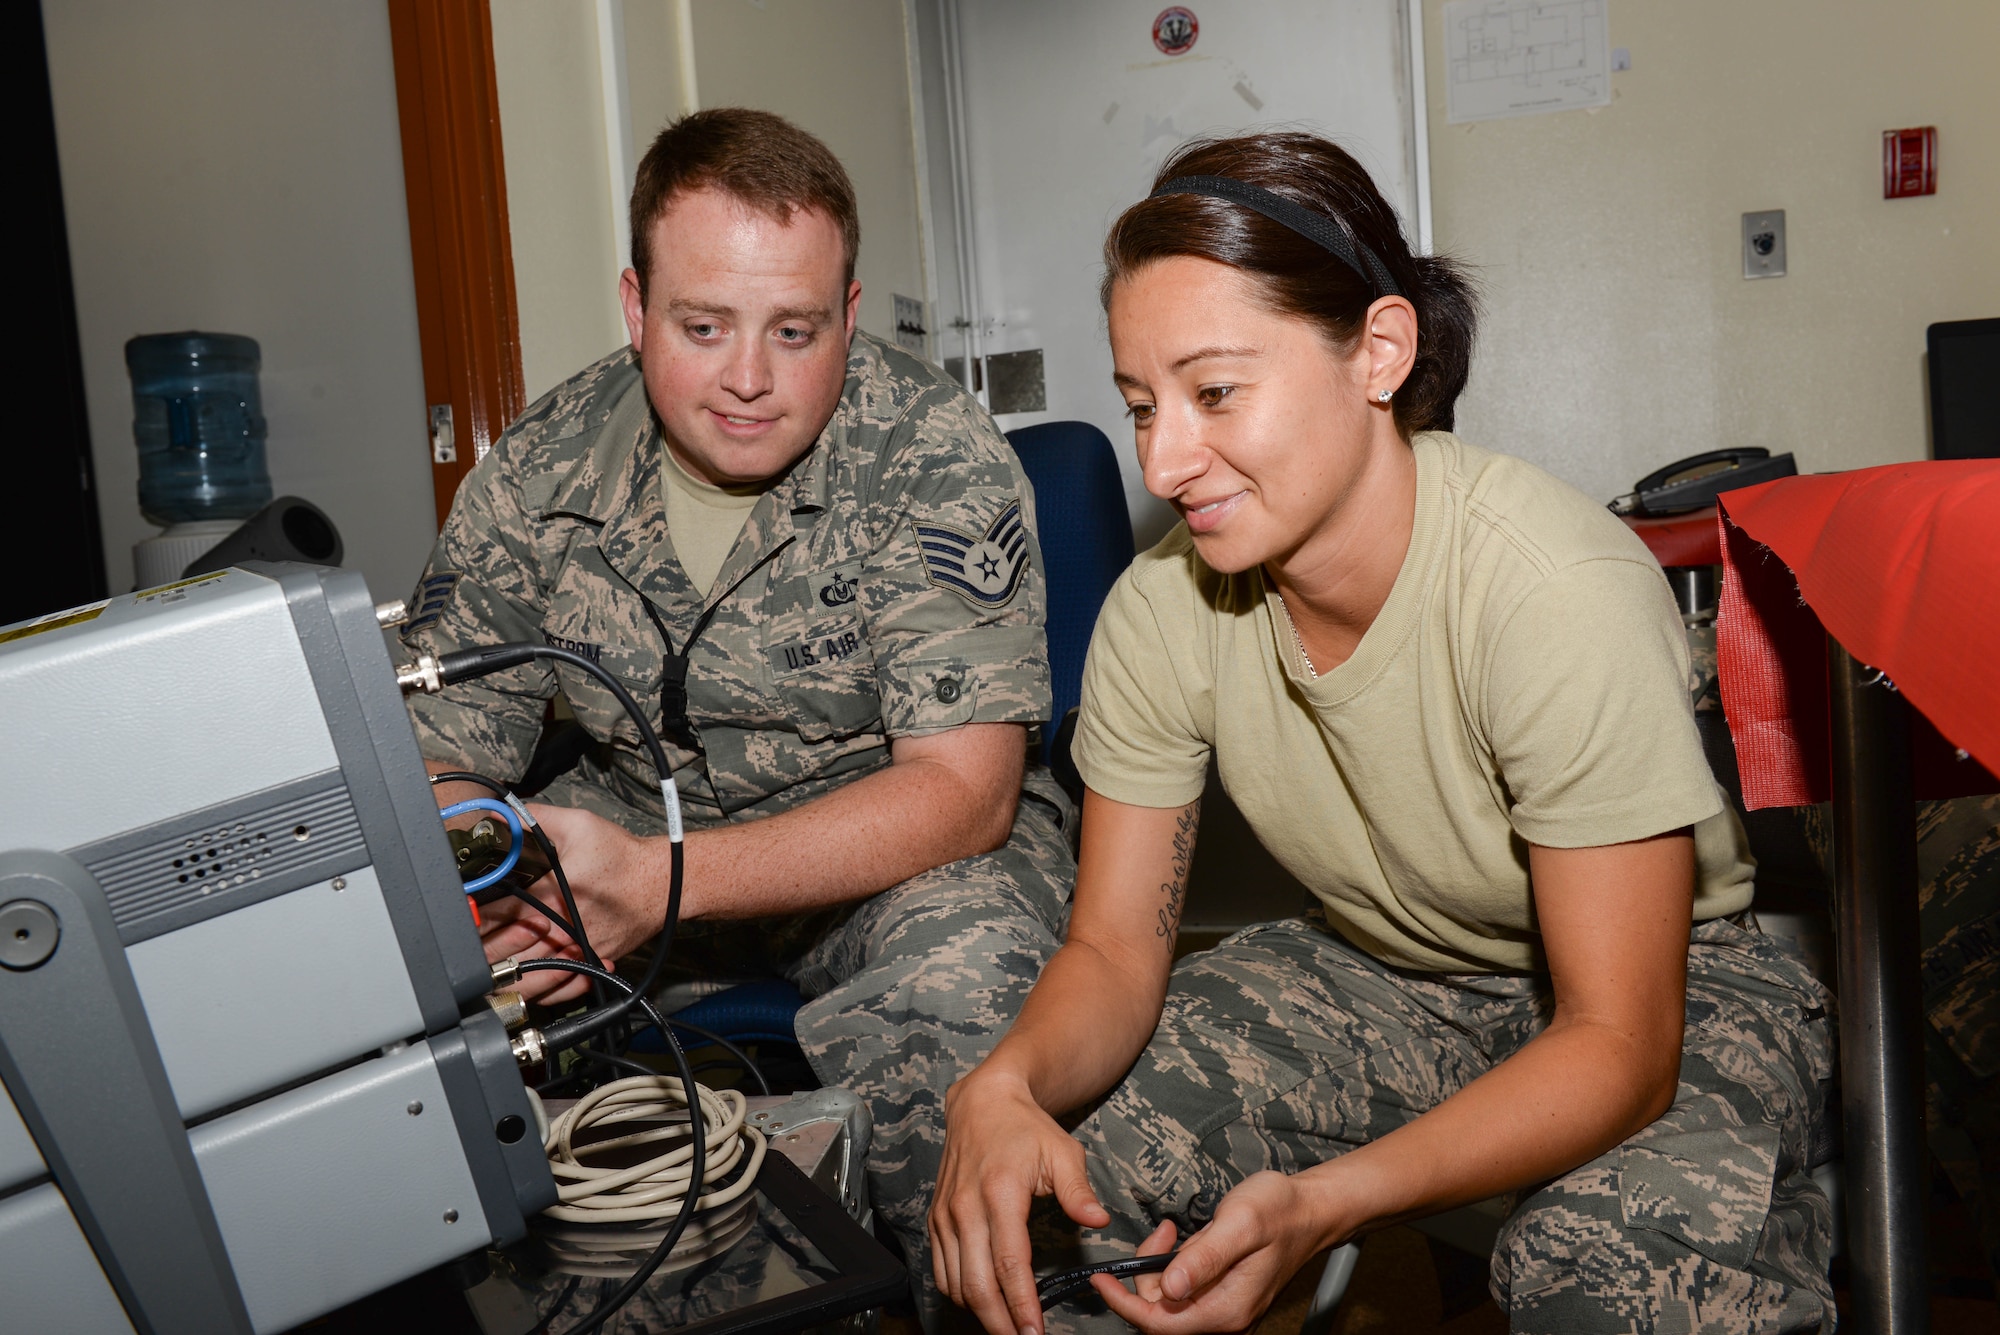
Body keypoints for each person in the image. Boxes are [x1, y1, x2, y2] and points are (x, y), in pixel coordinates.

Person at [929, 132, 1835, 1335]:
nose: (1163, 457)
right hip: (1383, 966)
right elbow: (1108, 954)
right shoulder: (1161, 608)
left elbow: (1617, 1039)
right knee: (1056, 1181)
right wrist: (1002, 1087)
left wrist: (1328, 1202)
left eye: (1213, 394)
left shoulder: (1547, 587)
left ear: (1380, 352)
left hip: (1671, 987)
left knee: (1607, 1272)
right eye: (1140, 405)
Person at [401, 108, 1074, 1315]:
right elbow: (438, 754)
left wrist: (655, 883)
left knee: (965, 987)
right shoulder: (539, 467)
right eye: (701, 326)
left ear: (851, 319)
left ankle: (990, 1308)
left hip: (892, 855)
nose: (748, 379)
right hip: (623, 851)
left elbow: (962, 793)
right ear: (632, 305)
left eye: (795, 331)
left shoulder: (932, 455)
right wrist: (511, 877)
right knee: (383, 968)